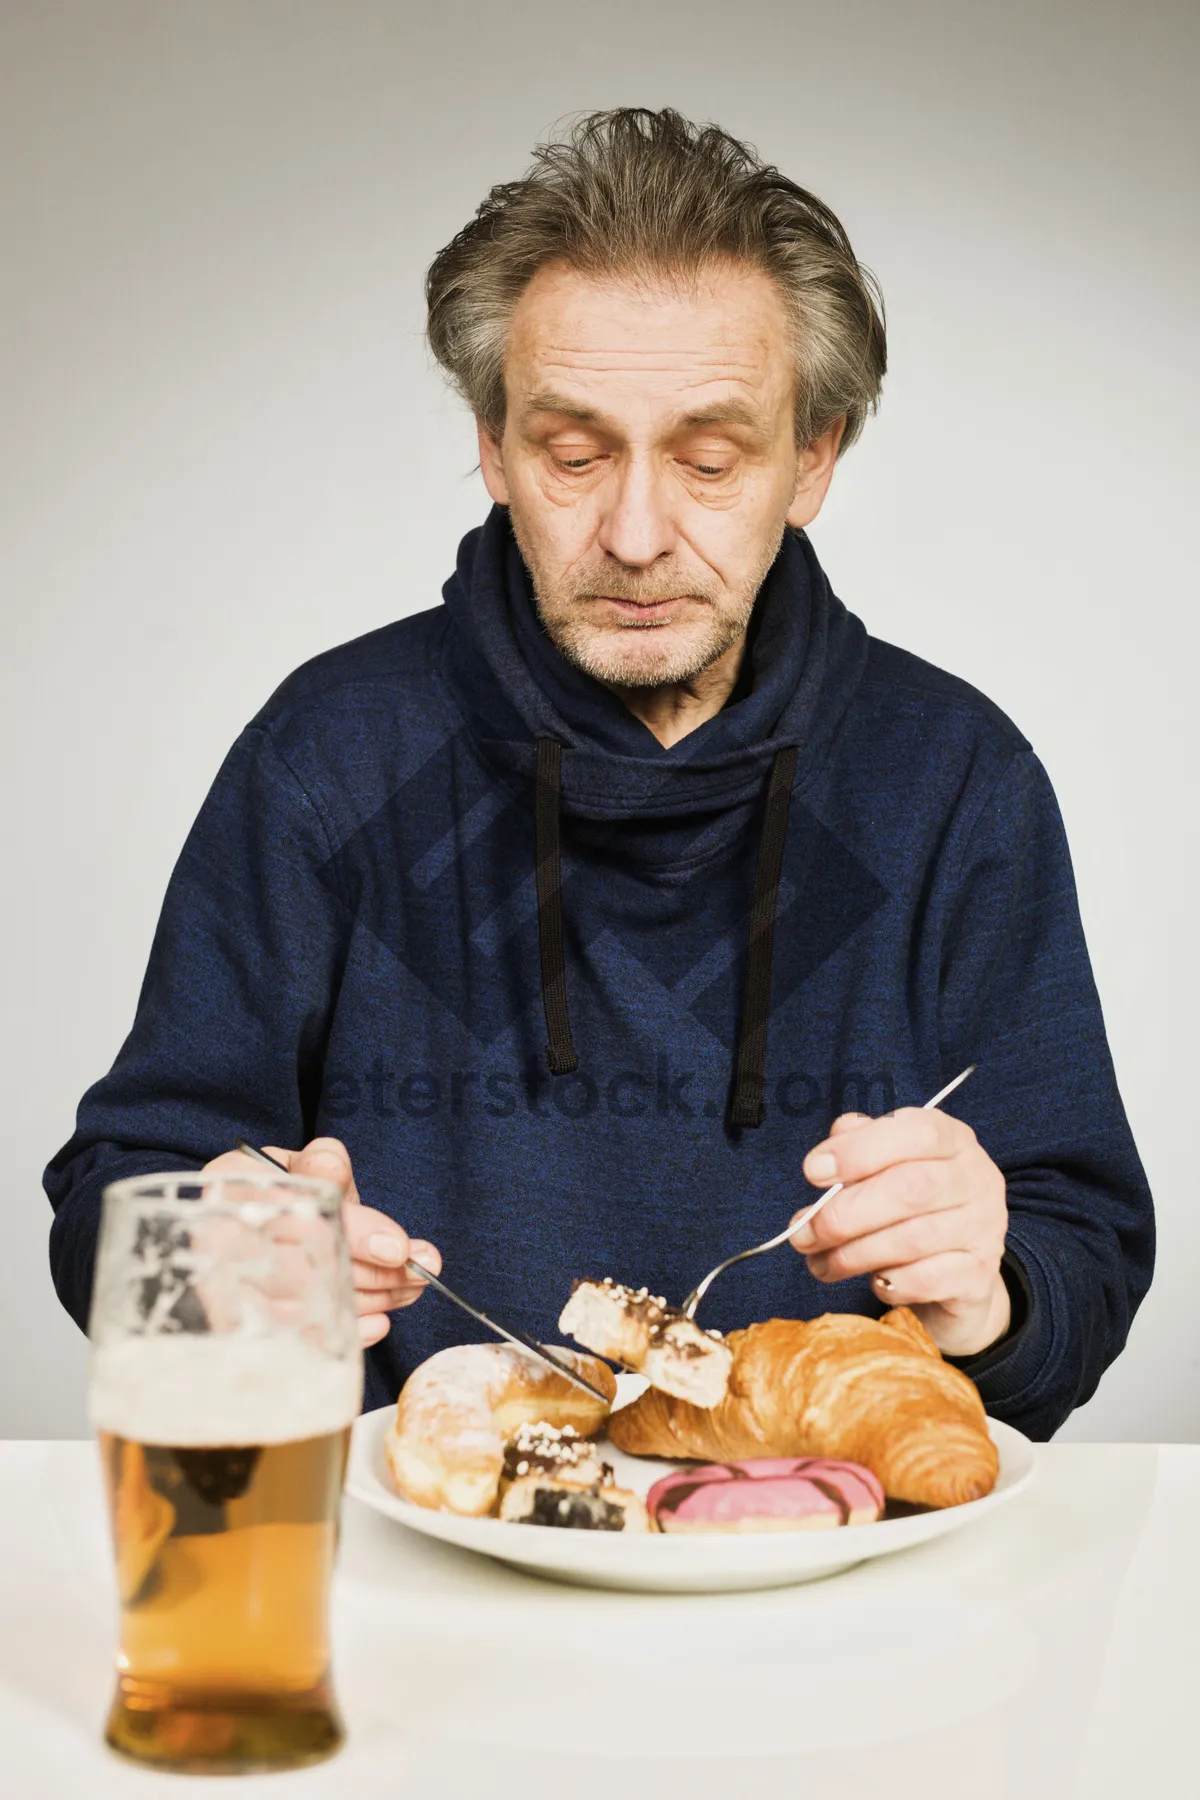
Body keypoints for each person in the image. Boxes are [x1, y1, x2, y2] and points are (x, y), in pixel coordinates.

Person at [45, 108, 1153, 1440]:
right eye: (573, 455)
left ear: (813, 458)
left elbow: (1081, 1251)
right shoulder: (330, 754)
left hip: (819, 1568)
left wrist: (993, 1293)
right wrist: (226, 1264)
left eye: (709, 457)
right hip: (424, 1556)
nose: (635, 532)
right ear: (493, 445)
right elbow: (121, 1199)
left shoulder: (957, 780)